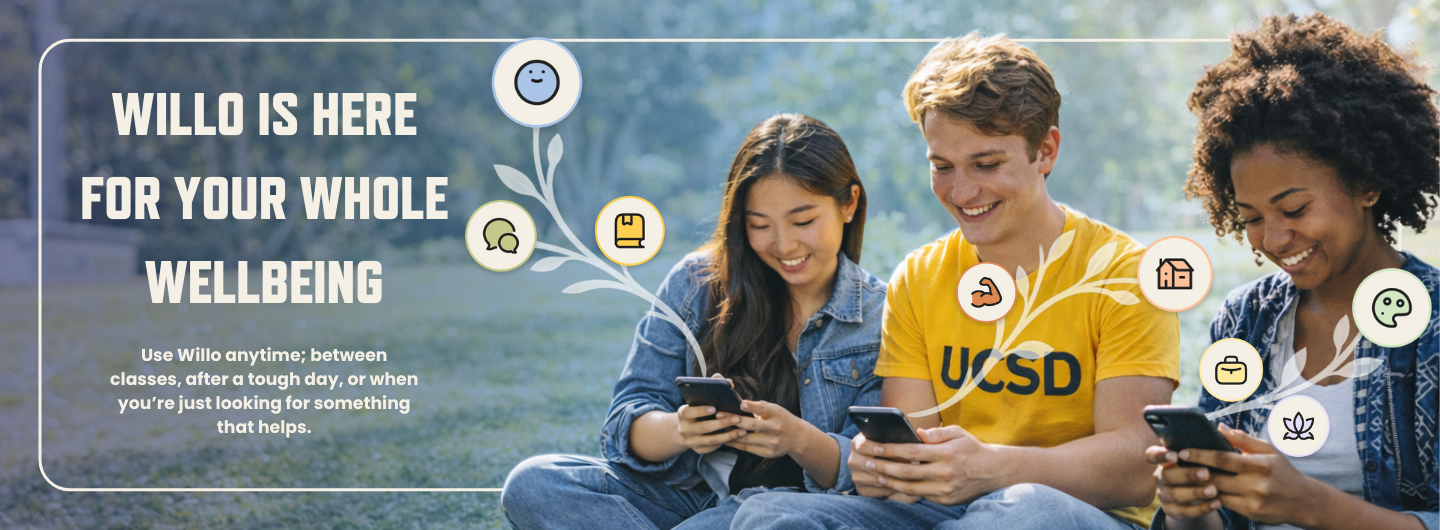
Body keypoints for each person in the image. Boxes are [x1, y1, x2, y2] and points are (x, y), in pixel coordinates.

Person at [732, 32, 1180, 530]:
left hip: (1071, 513)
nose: (962, 191)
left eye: (987, 164)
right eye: (942, 167)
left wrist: (991, 469)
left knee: (1022, 509)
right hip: (947, 512)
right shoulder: (921, 277)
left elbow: (1138, 464)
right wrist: (881, 465)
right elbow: (913, 451)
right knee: (770, 514)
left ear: (1046, 150)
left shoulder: (1125, 275)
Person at [501, 113, 888, 529]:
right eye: (759, 225)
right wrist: (680, 430)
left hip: (790, 513)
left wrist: (798, 440)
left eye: (803, 221)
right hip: (687, 499)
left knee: (759, 519)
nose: (783, 244)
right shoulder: (695, 283)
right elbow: (626, 418)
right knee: (534, 484)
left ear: (848, 204)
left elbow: (872, 471)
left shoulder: (880, 314)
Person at [1148, 13, 1439, 530]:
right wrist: (1187, 510)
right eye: (1253, 218)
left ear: (1366, 183)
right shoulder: (1244, 320)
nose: (1275, 240)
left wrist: (1313, 507)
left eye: (1295, 209)